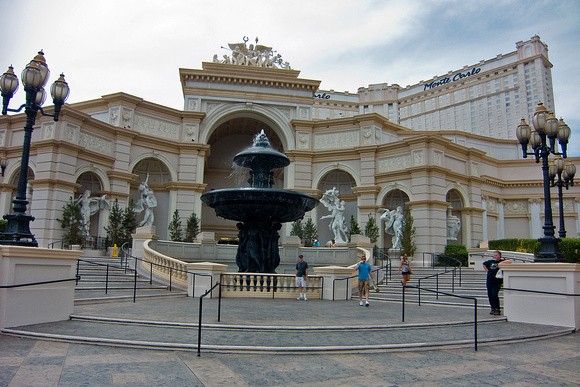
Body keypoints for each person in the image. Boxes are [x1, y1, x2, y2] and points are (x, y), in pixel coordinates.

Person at [483, 250, 512, 315]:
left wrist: (500, 264)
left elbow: (509, 261)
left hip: (496, 282)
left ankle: (497, 308)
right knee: (490, 295)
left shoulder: (501, 261)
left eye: (496, 255)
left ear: (499, 256)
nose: (495, 256)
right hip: (489, 281)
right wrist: (487, 271)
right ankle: (492, 308)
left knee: (494, 294)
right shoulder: (490, 262)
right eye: (494, 255)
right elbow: (484, 264)